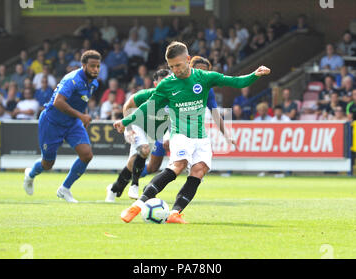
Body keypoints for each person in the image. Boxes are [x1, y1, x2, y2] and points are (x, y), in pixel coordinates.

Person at [113, 41, 270, 224]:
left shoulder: (204, 77)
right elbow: (148, 106)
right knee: (178, 166)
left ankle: (175, 213)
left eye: (178, 65)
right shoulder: (167, 85)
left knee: (199, 171)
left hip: (201, 137)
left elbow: (235, 81)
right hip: (180, 134)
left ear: (188, 60)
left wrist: (255, 75)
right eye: (171, 67)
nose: (175, 70)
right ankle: (137, 206)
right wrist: (125, 121)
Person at [137, 56, 235, 186]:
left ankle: (157, 188)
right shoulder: (174, 82)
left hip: (190, 132)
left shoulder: (207, 89)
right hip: (167, 126)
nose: (203, 74)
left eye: (205, 71)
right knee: (153, 167)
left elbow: (215, 114)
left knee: (187, 166)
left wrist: (227, 135)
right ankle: (131, 176)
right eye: (199, 70)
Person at [23, 50, 101, 203]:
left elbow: (80, 101)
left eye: (98, 66)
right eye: (92, 66)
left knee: (87, 155)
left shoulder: (94, 83)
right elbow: (57, 102)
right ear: (83, 65)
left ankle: (64, 189)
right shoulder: (72, 79)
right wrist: (81, 116)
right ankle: (30, 175)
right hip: (52, 122)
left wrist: (81, 118)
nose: (96, 70)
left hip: (72, 123)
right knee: (47, 164)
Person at [105, 69, 172, 203]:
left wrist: (168, 136)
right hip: (136, 126)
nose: (166, 84)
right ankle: (134, 185)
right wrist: (128, 128)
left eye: (169, 81)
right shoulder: (146, 94)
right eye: (163, 81)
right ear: (155, 83)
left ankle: (113, 188)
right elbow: (127, 106)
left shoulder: (174, 99)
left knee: (132, 163)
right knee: (145, 150)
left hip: (153, 132)